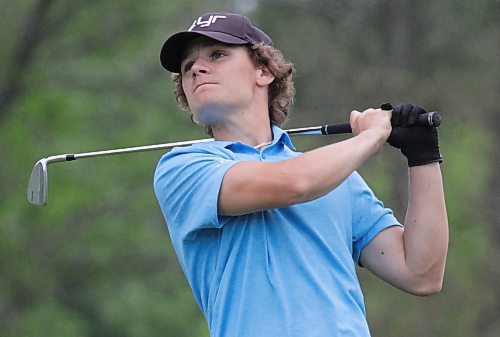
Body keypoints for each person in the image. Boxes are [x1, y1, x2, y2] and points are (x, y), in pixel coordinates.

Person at [154, 12, 448, 337]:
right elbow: (293, 183)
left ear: (263, 71)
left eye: (217, 54)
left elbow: (421, 274)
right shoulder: (183, 168)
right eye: (186, 67)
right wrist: (370, 137)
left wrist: (423, 158)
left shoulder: (339, 179)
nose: (196, 69)